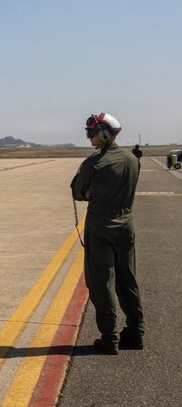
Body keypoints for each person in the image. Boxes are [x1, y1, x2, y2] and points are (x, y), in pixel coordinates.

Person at [70, 112, 143, 355]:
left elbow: (77, 191)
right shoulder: (133, 159)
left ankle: (110, 338)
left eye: (92, 132)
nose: (90, 137)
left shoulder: (94, 162)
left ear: (103, 134)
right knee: (128, 280)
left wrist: (89, 192)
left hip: (101, 226)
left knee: (102, 283)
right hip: (127, 224)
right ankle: (136, 334)